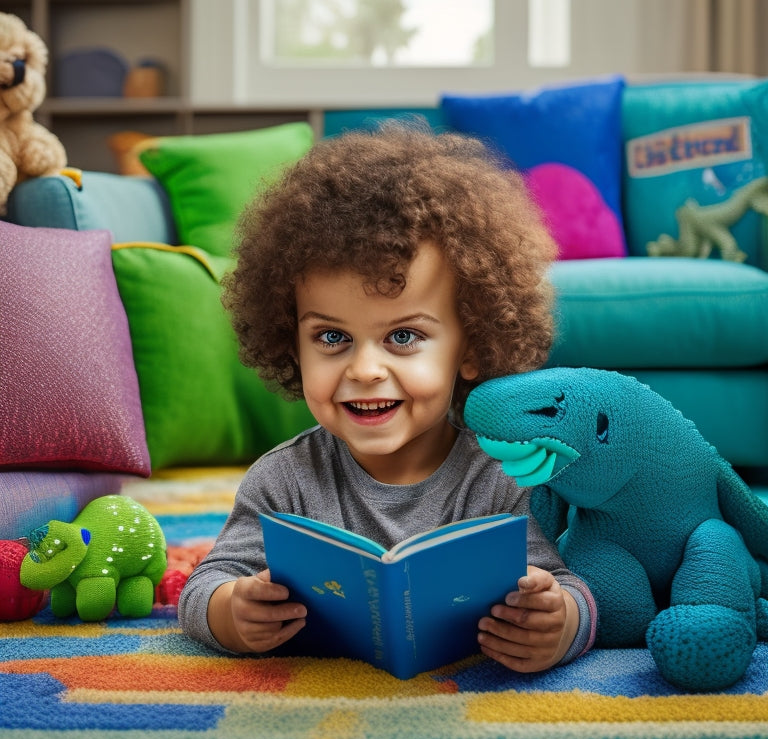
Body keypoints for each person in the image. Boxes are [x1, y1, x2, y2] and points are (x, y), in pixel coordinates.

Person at [178, 123, 597, 673]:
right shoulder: (282, 481)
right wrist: (231, 612)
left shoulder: (505, 476)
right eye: (332, 338)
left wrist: (558, 623)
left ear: (469, 347)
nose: (365, 369)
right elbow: (205, 584)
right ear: (291, 342)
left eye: (403, 337)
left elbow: (573, 586)